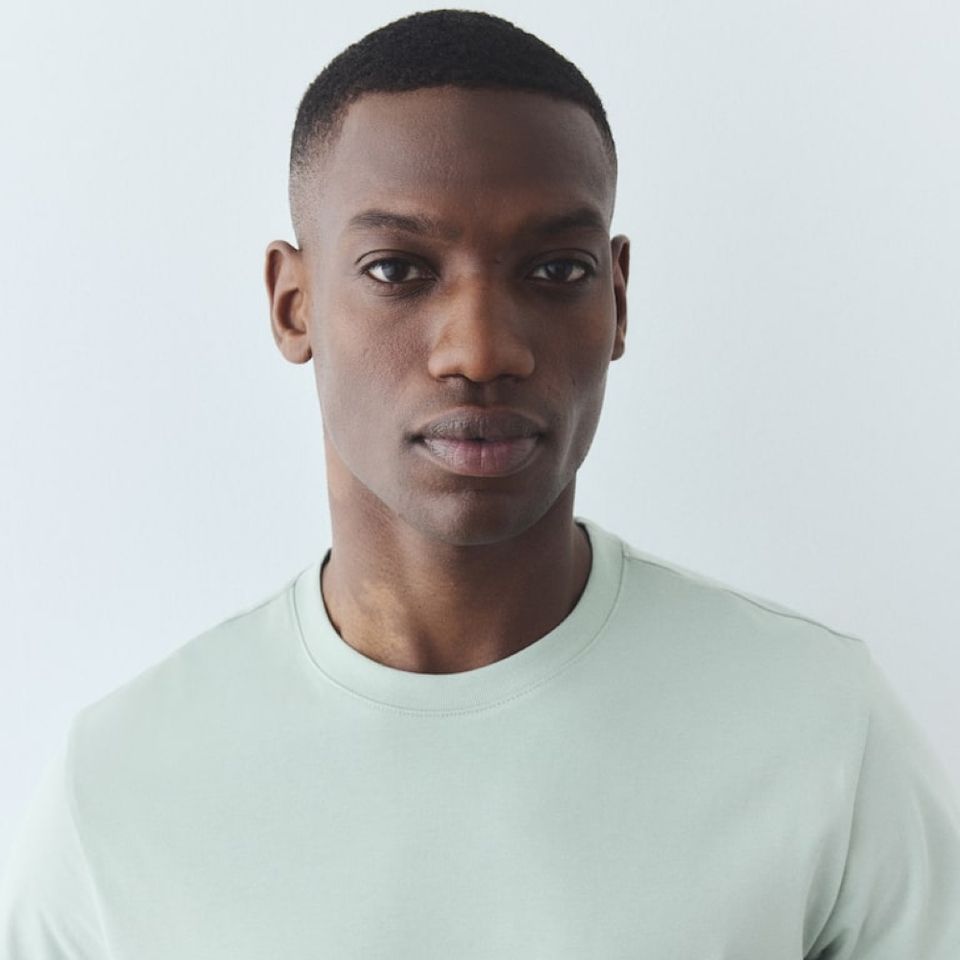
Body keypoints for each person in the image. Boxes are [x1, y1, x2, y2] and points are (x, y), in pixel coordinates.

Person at [2, 8, 958, 958]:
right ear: (293, 305)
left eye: (556, 269)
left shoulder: (820, 731)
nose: (481, 349)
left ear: (618, 299)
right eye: (397, 269)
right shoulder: (120, 792)